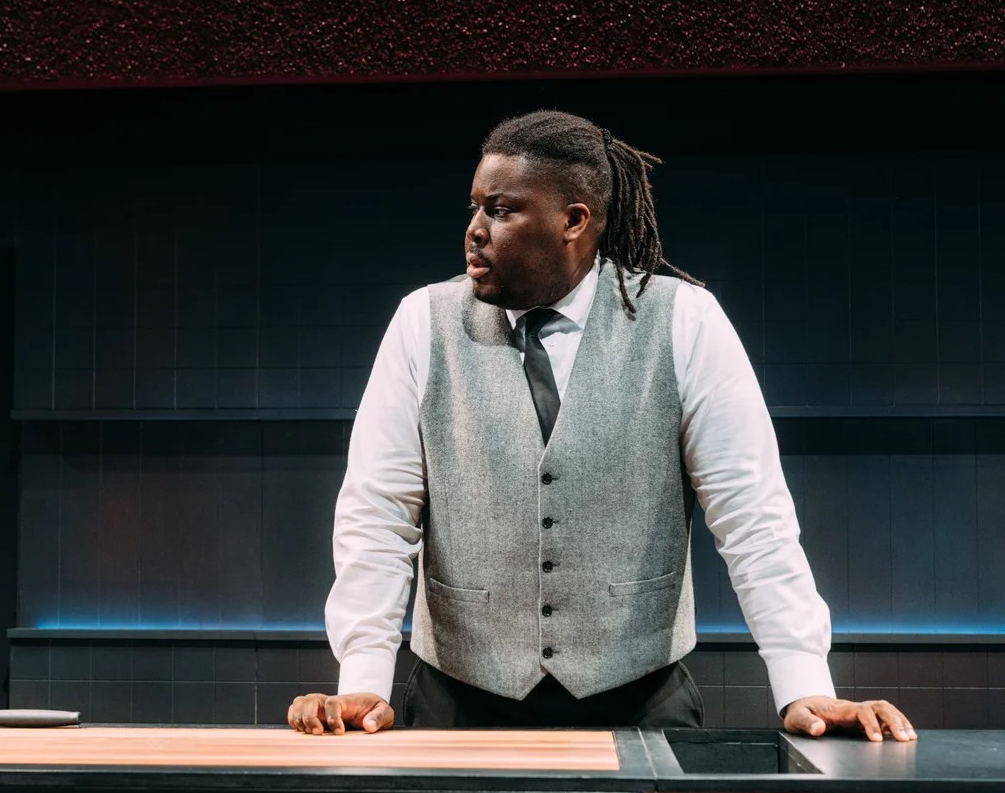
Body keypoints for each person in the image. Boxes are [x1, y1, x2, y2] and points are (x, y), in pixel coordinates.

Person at [287, 110, 915, 743]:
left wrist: (805, 684)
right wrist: (362, 677)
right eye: (474, 208)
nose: (474, 230)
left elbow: (753, 515)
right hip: (459, 696)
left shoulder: (685, 320)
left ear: (574, 220)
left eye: (500, 211)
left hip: (639, 697)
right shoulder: (421, 322)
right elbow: (378, 512)